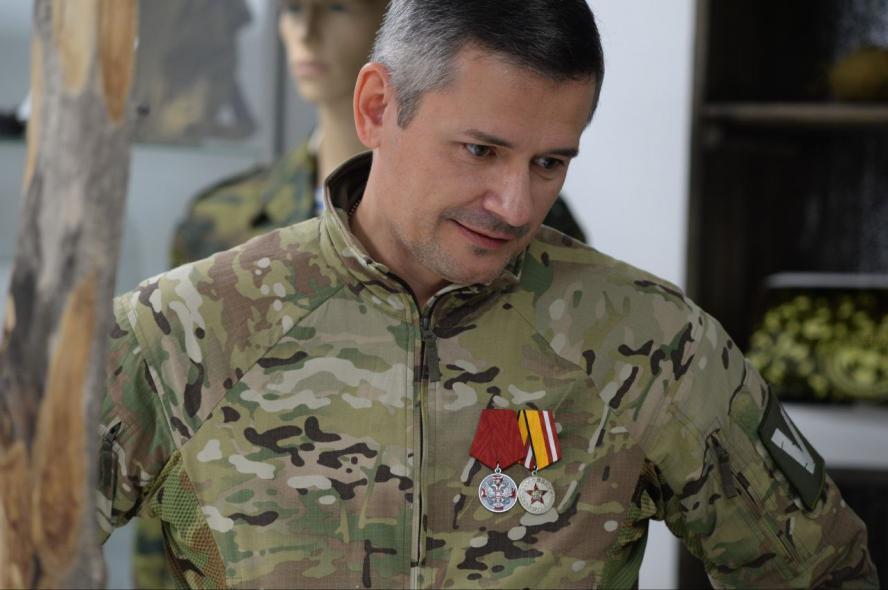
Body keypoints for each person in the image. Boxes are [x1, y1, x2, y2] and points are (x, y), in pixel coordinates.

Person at [98, 1, 879, 588]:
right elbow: (36, 541)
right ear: (377, 108)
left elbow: (826, 573)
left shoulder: (648, 342)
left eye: (550, 163)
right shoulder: (186, 326)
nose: (515, 205)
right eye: (480, 150)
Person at [169, 0, 586, 268]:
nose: (306, 32)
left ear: (396, 18)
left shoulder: (533, 224)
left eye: (337, 7)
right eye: (293, 8)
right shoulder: (218, 220)